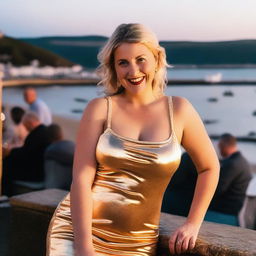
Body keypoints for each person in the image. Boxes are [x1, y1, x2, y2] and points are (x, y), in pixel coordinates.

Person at [46, 23, 219, 256]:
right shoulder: (100, 109)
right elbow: (81, 181)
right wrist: (83, 246)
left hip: (138, 241)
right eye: (123, 63)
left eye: (141, 59)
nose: (134, 71)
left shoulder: (179, 110)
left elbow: (209, 167)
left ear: (157, 59)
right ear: (113, 68)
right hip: (78, 233)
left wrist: (193, 223)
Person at [206, 133, 252, 226]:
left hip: (221, 214)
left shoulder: (232, 164)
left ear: (224, 145)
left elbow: (217, 188)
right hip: (232, 214)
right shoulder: (243, 162)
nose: (219, 150)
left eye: (220, 147)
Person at [2, 112, 51, 196]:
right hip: (39, 169)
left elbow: (26, 153)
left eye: (25, 126)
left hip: (35, 173)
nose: (26, 129)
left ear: (30, 123)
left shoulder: (36, 134)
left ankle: (6, 196)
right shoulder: (43, 130)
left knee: (7, 166)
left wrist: (10, 152)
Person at [162, 152, 198, 217]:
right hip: (188, 202)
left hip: (172, 198)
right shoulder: (206, 161)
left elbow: (176, 179)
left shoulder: (187, 156)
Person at [44, 124, 75, 190]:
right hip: (73, 186)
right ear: (61, 134)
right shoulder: (72, 145)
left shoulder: (51, 150)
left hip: (57, 189)